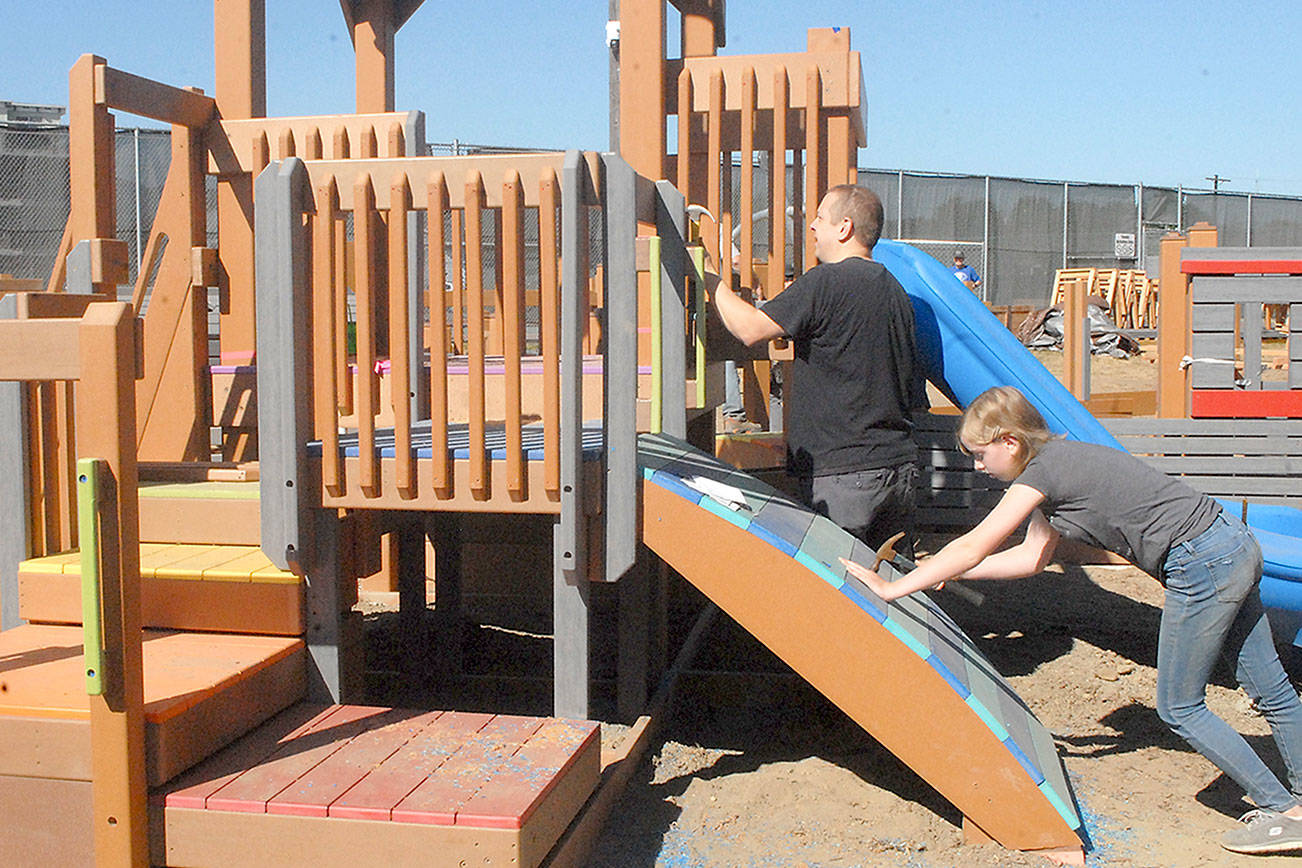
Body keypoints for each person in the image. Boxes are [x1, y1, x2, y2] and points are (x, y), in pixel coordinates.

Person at [839, 385, 1302, 855]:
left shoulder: (1040, 476)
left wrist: (894, 588)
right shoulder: (1060, 463)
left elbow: (975, 541)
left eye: (981, 455)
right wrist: (951, 570)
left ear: (1009, 442)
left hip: (1200, 564)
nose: (978, 466)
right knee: (1273, 690)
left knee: (1180, 707)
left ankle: (1281, 812)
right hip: (1231, 544)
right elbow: (1031, 558)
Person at [712, 183, 925, 552]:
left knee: (835, 596)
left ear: (844, 228)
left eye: (820, 218)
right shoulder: (897, 293)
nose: (811, 226)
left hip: (845, 478)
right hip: (899, 469)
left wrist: (711, 278)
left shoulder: (826, 282)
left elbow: (749, 329)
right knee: (887, 594)